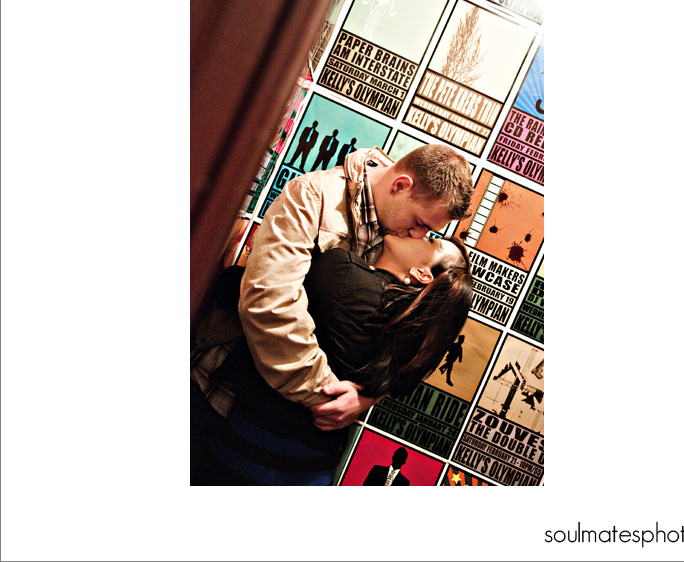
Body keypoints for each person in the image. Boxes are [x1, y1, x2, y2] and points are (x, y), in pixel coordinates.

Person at [190, 144, 472, 479]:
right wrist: (328, 395)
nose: (418, 235)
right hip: (219, 389)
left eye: (429, 233)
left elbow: (399, 337)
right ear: (400, 186)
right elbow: (269, 301)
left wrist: (365, 396)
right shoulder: (313, 195)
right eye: (419, 223)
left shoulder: (402, 238)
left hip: (288, 431)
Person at [198, 233, 473, 485]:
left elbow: (245, 287)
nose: (419, 234)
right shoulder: (405, 334)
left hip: (257, 452)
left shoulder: (344, 273)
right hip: (314, 466)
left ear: (422, 274)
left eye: (431, 241)